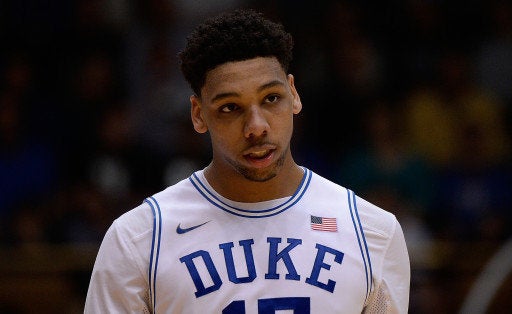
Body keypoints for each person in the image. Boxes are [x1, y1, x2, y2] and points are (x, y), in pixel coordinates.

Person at [84, 9, 410, 313]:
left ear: (293, 94)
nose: (257, 126)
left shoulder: (372, 233)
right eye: (230, 107)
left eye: (271, 99)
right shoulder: (138, 239)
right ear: (198, 115)